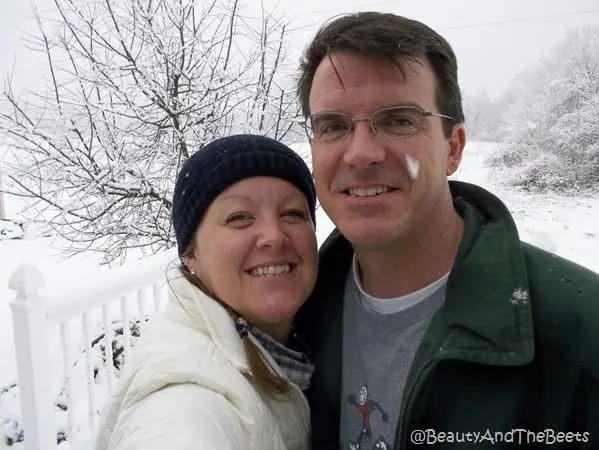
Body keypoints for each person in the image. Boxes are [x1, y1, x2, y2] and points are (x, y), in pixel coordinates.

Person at [292, 11, 599, 450]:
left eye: (399, 120)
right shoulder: (297, 317)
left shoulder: (578, 340)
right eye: (334, 126)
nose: (360, 153)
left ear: (452, 147)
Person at [94, 134, 318, 450]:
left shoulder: (313, 341)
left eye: (293, 213)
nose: (274, 236)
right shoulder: (182, 396)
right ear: (191, 254)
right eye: (239, 217)